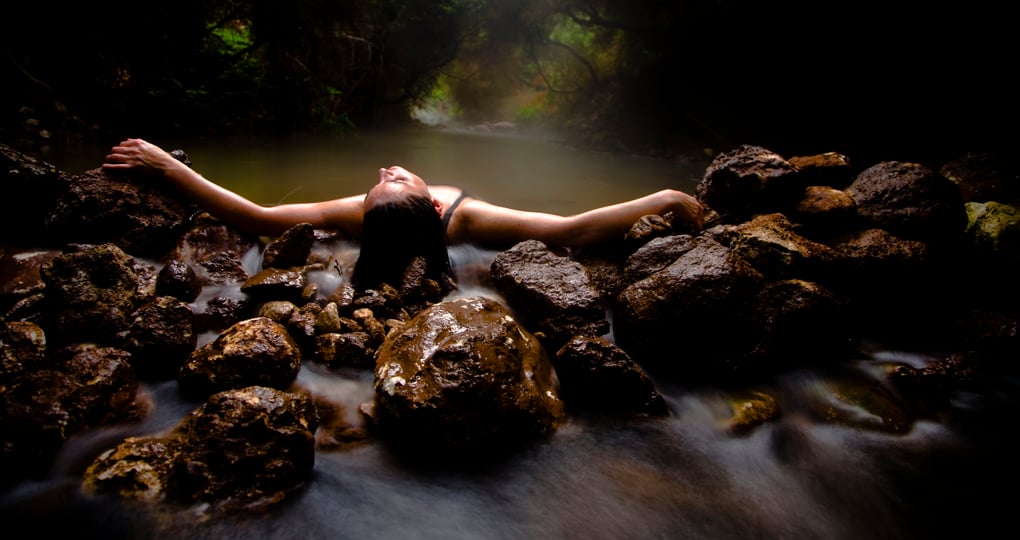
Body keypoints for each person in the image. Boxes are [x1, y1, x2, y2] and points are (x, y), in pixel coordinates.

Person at [103, 138, 704, 292]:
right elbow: (575, 229)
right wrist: (669, 197)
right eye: (390, 181)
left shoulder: (385, 218)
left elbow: (257, 214)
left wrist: (170, 169)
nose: (387, 173)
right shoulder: (450, 216)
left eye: (386, 181)